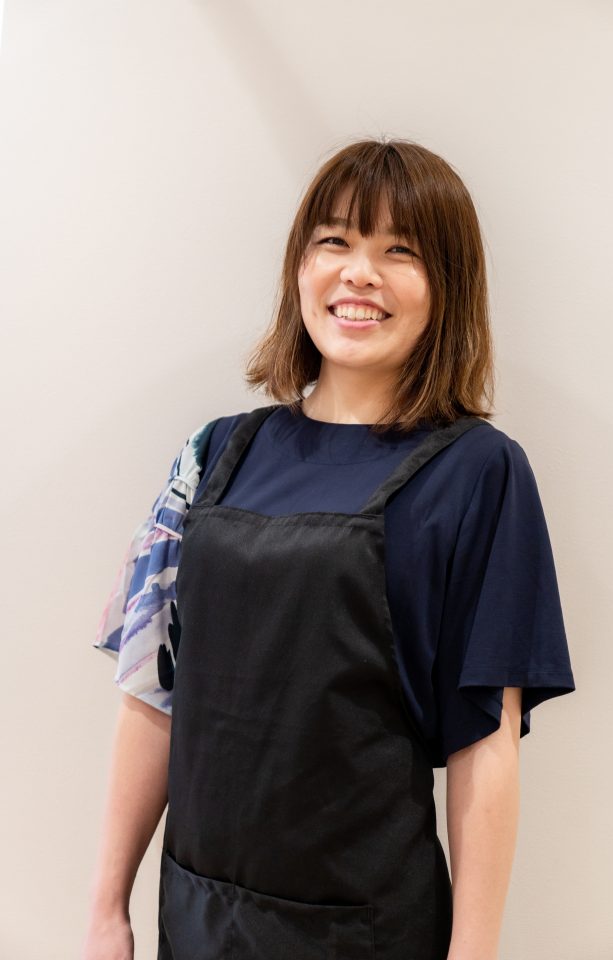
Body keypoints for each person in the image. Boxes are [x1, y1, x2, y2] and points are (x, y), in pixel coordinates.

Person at [83, 137, 576, 960]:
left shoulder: (479, 473)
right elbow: (152, 691)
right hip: (198, 916)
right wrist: (107, 909)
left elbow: (485, 741)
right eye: (335, 241)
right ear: (299, 268)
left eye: (400, 251)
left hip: (368, 929)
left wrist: (474, 951)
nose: (359, 274)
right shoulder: (213, 455)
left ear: (447, 285)